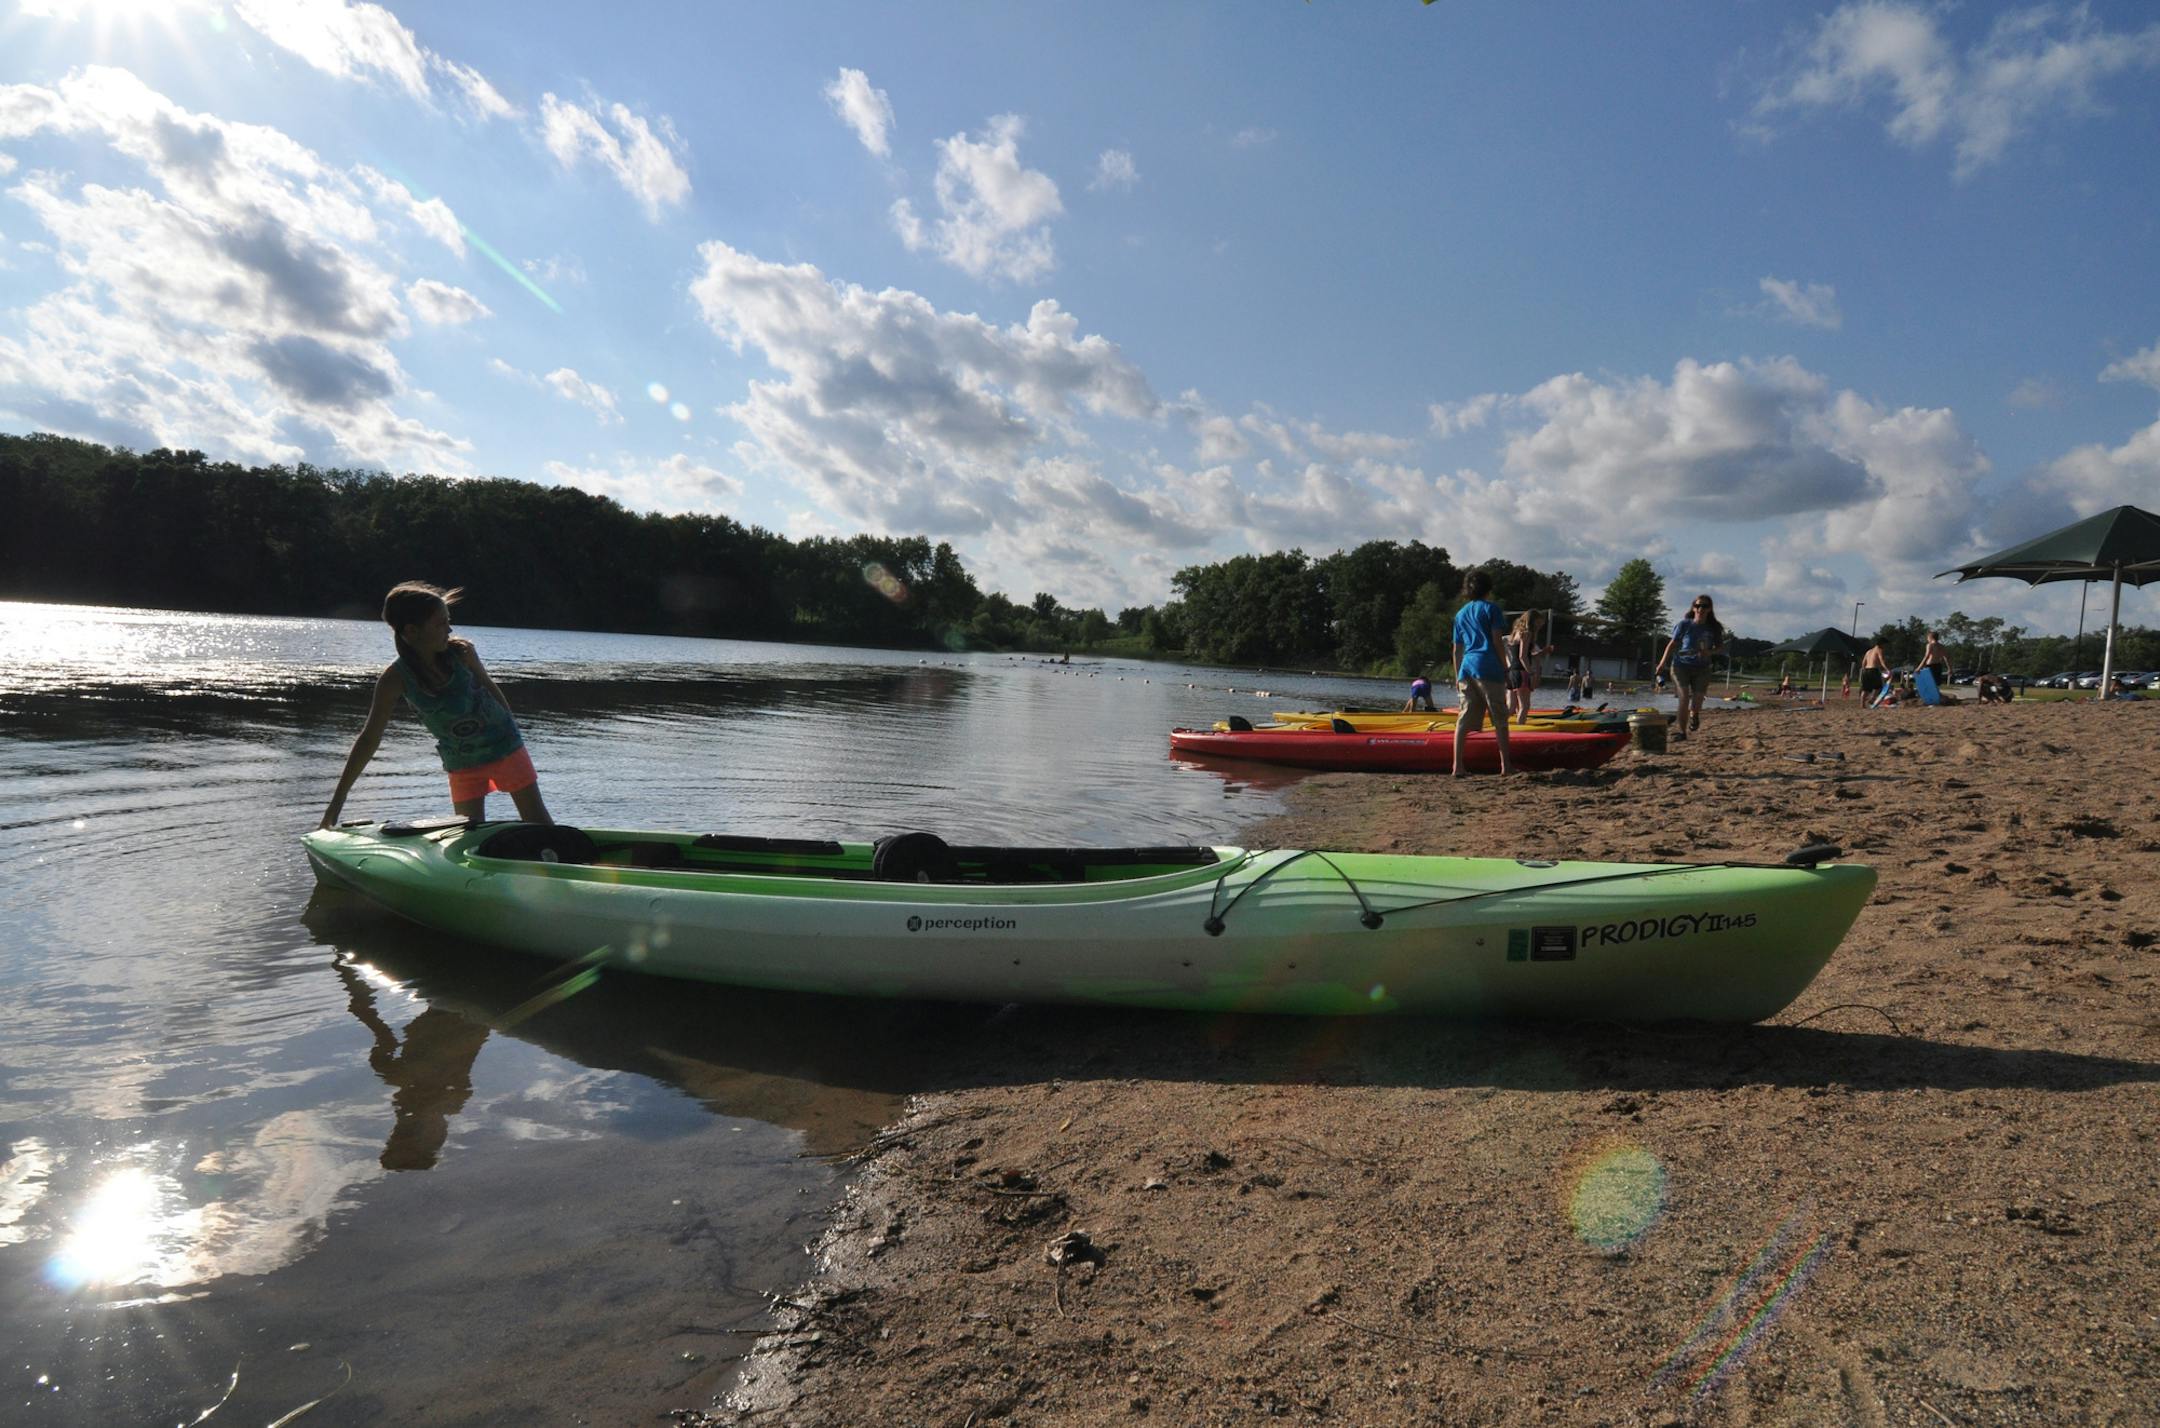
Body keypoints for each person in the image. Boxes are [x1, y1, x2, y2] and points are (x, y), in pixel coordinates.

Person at [321, 582, 553, 829]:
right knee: (467, 834)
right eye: (441, 624)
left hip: (505, 747)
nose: (449, 629)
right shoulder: (395, 678)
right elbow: (369, 739)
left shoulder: (462, 654)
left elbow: (492, 691)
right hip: (461, 763)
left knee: (539, 825)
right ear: (412, 632)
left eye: (448, 621)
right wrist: (336, 805)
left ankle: (568, 860)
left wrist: (514, 737)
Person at [1450, 570, 1515, 776]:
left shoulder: (1460, 614)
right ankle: (1506, 766)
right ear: (1489, 588)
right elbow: (1497, 641)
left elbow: (1456, 649)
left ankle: (1457, 766)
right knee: (1500, 718)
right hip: (1488, 666)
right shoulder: (1492, 609)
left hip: (1466, 668)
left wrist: (1457, 675)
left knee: (1464, 718)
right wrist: (1506, 669)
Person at [1654, 594, 1726, 742]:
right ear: (1693, 608)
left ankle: (1694, 714)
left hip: (1702, 668)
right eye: (1698, 605)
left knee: (1698, 700)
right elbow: (1672, 644)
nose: (1700, 609)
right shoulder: (1684, 625)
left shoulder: (1714, 628)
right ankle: (1681, 732)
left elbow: (1720, 648)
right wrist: (1662, 663)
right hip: (1681, 666)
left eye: (1704, 606)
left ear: (1709, 609)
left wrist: (1709, 652)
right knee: (1684, 698)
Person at [1504, 610, 1553, 721]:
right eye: (1539, 622)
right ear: (1532, 620)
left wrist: (1542, 652)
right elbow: (1522, 656)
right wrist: (1531, 672)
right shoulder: (1527, 633)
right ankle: (1519, 734)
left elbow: (1522, 654)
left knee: (1511, 708)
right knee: (1524, 707)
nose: (1540, 625)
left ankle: (1498, 726)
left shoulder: (1516, 632)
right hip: (1521, 672)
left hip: (1512, 672)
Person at [1860, 639, 1889, 706]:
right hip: (1873, 670)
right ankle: (1872, 699)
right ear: (1882, 644)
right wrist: (1887, 669)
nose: (1885, 647)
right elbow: (1882, 661)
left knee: (1865, 689)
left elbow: (1863, 663)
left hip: (1866, 670)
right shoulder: (1879, 650)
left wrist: (1863, 671)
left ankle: (1862, 705)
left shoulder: (1868, 651)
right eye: (1885, 645)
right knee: (1878, 687)